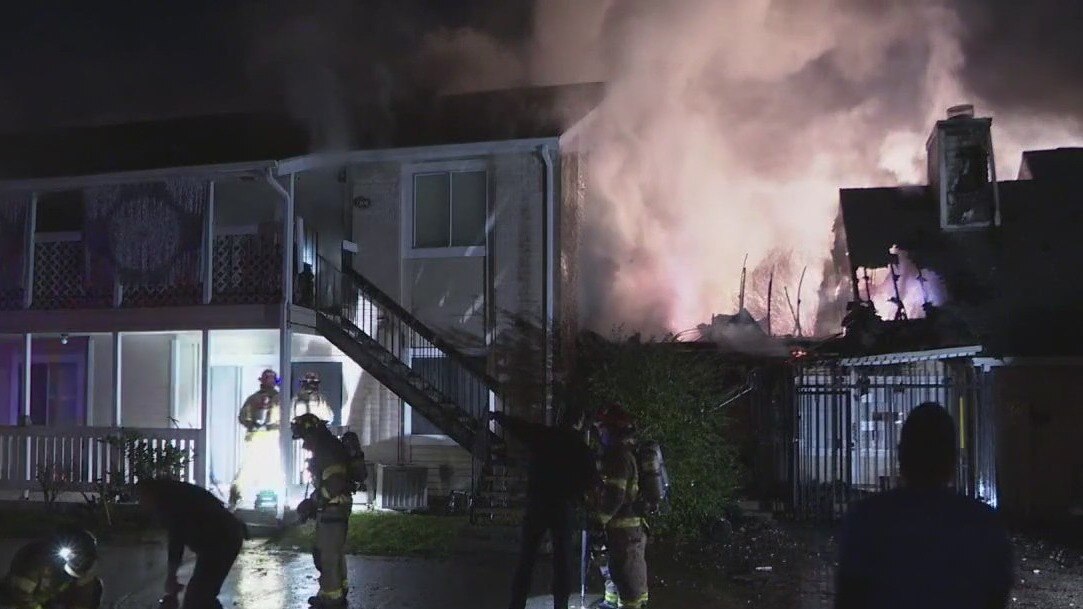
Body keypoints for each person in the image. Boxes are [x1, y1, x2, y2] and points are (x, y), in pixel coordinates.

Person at [835, 402, 1014, 609]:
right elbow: (996, 597)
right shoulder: (985, 525)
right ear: (953, 460)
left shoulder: (866, 521)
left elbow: (849, 597)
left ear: (901, 456)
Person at [490, 406, 596, 609]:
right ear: (579, 422)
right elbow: (591, 481)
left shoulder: (544, 436)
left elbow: (521, 427)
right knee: (562, 559)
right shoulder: (581, 448)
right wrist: (581, 500)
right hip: (563, 507)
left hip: (537, 503)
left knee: (527, 557)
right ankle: (560, 604)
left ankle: (517, 602)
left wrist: (500, 417)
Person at [135, 478, 247, 609]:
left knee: (198, 597)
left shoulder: (171, 504)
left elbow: (176, 541)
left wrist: (171, 576)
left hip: (222, 541)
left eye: (141, 498)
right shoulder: (175, 494)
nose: (141, 504)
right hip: (222, 539)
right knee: (201, 596)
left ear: (150, 494)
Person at [291, 413, 354, 609]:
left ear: (312, 433)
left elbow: (334, 484)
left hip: (333, 508)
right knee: (333, 553)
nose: (304, 444)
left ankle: (331, 600)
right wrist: (312, 502)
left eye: (304, 437)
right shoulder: (327, 446)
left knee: (327, 556)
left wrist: (313, 503)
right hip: (332, 507)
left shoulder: (327, 451)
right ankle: (336, 592)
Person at [589, 403, 649, 609]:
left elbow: (616, 494)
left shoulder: (620, 457)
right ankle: (611, 602)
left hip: (626, 529)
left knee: (628, 576)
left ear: (613, 430)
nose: (600, 434)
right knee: (616, 571)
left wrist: (599, 519)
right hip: (622, 528)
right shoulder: (619, 454)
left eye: (602, 429)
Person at [0, 526, 102, 609]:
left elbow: (85, 598)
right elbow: (21, 596)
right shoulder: (35, 557)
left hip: (54, 600)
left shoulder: (87, 568)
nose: (79, 562)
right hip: (22, 601)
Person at [231, 369, 282, 508]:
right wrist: (252, 424)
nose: (269, 382)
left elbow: (285, 419)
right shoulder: (253, 399)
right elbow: (243, 416)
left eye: (271, 380)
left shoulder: (280, 399)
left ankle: (273, 497)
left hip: (272, 439)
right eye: (267, 379)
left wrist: (274, 426)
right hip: (255, 439)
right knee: (248, 468)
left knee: (272, 469)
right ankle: (235, 497)